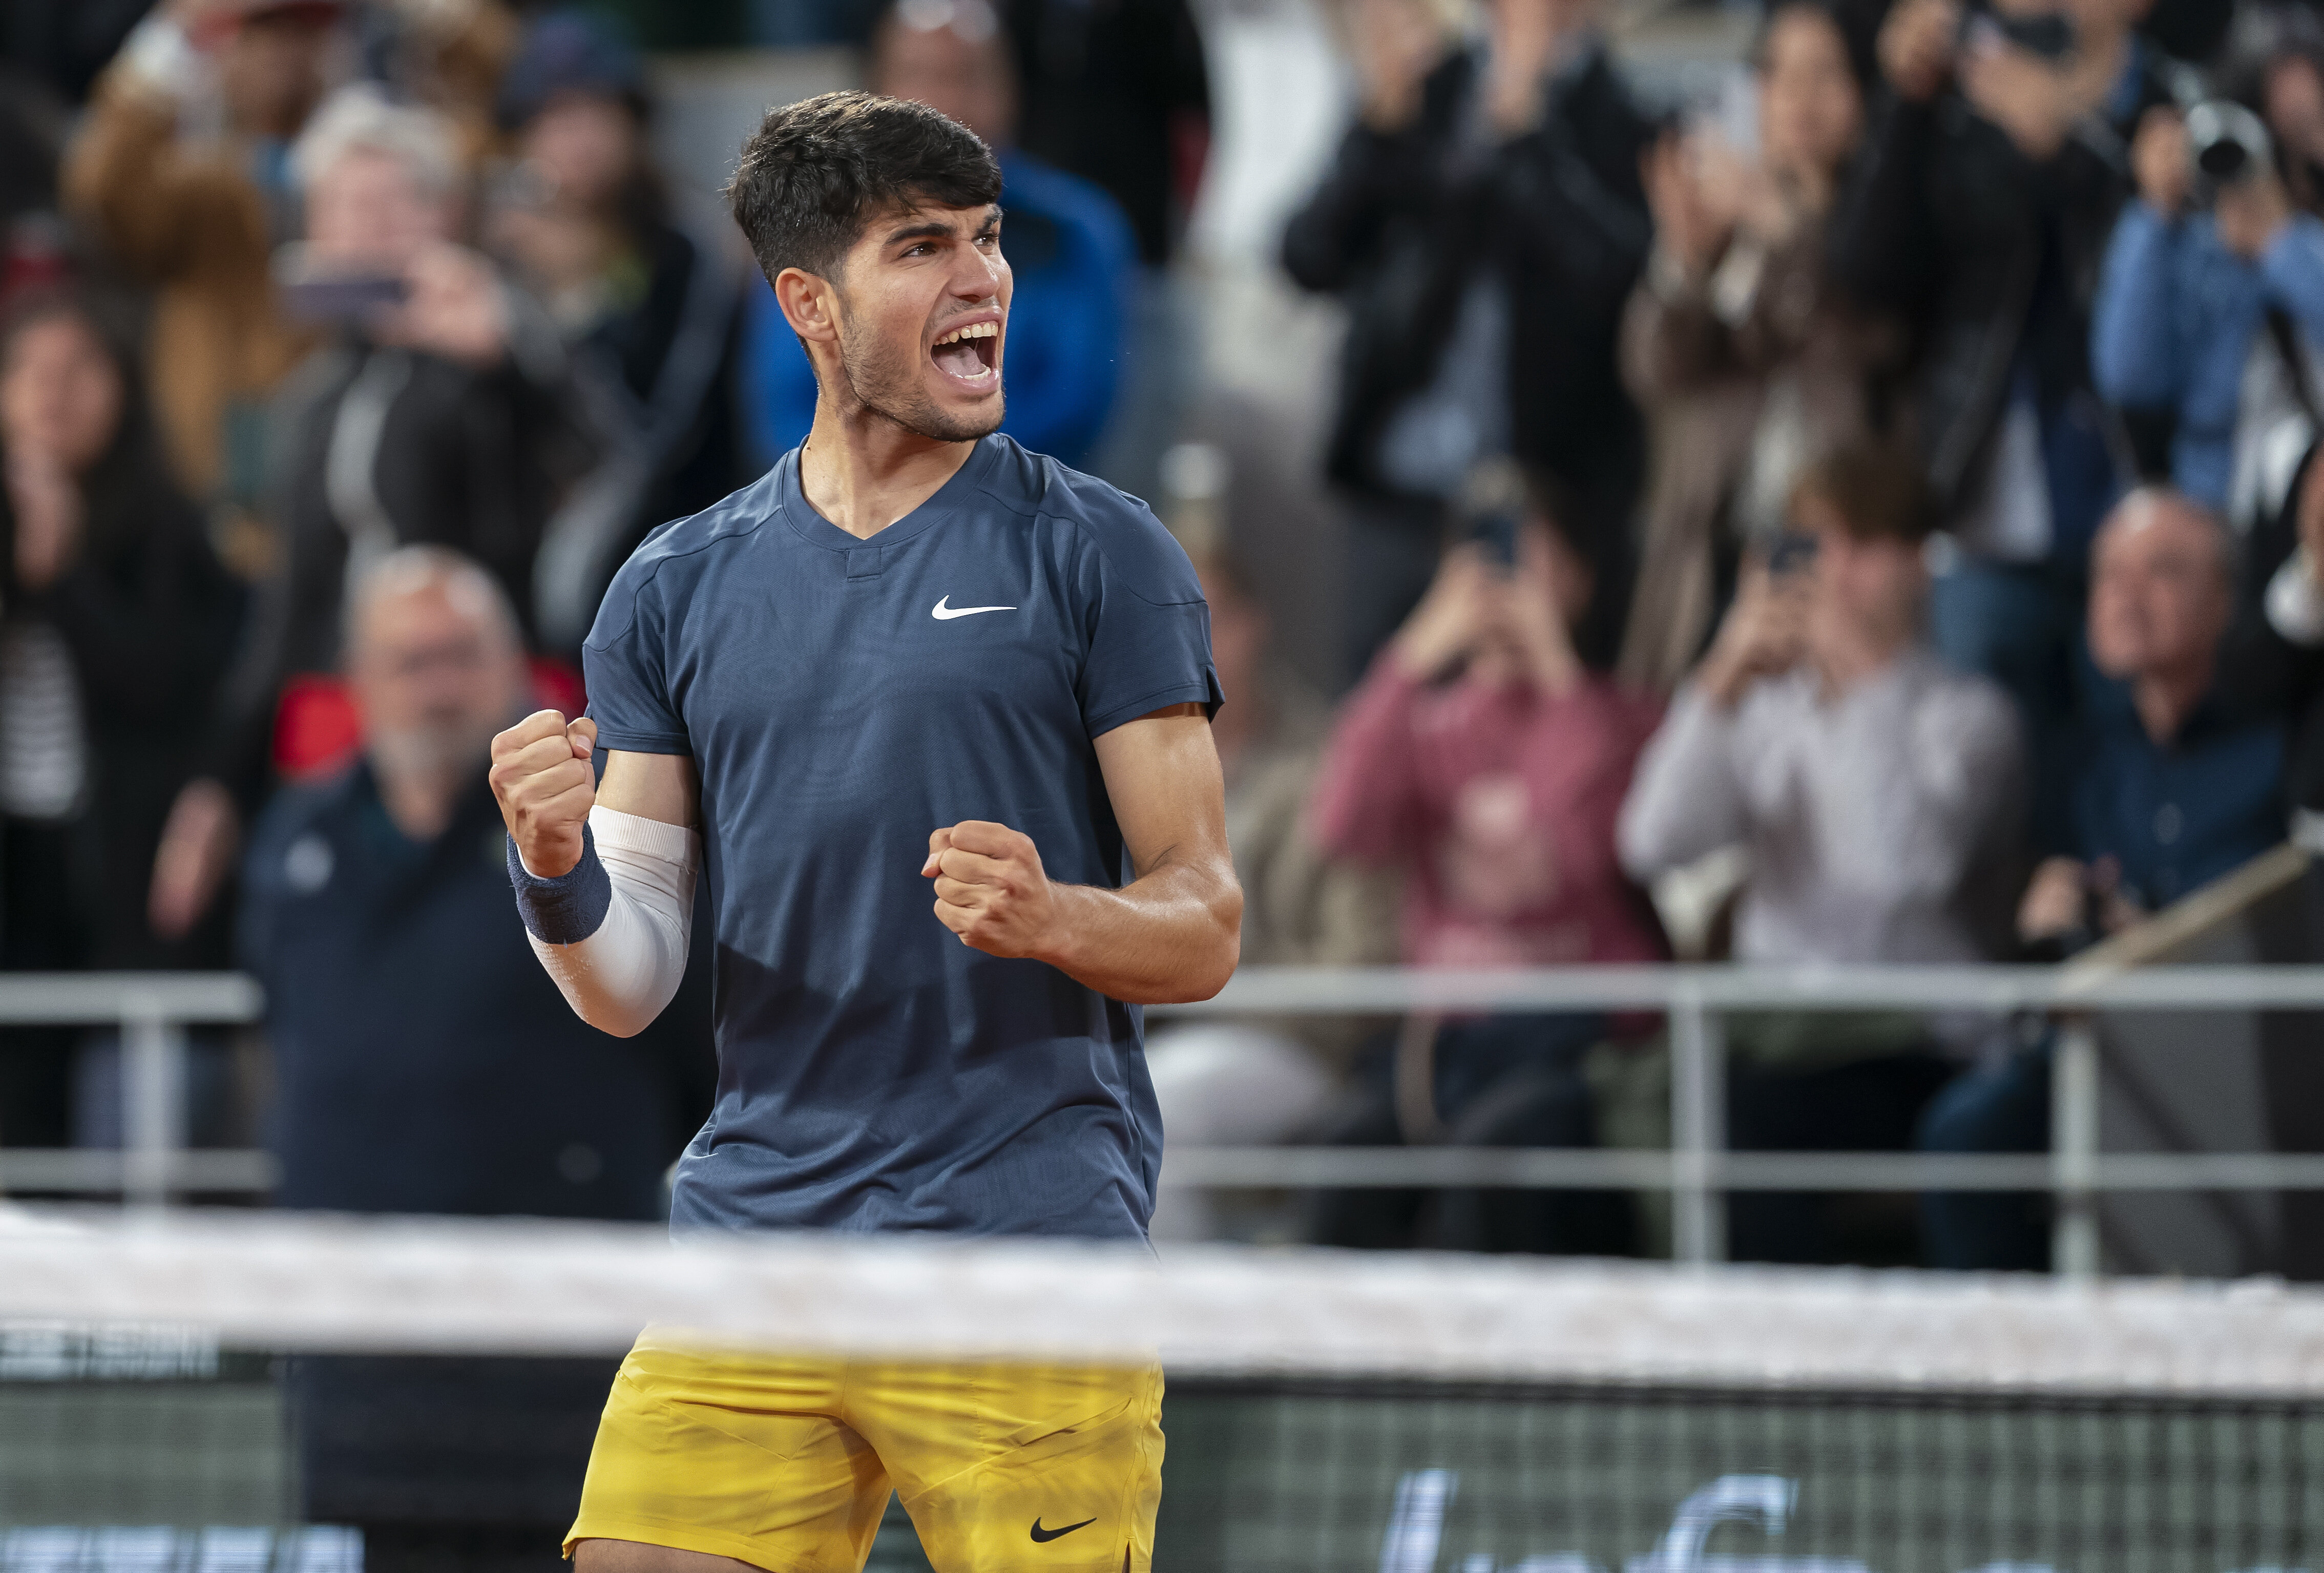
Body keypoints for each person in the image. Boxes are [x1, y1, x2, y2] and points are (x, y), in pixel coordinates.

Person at [490, 91, 1239, 1571]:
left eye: (990, 239)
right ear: (809, 305)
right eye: (922, 247)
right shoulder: (671, 587)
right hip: (758, 1242)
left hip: (1022, 1254)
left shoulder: (1104, 551)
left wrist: (1055, 917)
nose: (983, 280)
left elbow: (1206, 918)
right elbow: (629, 980)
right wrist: (555, 864)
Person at [241, 546, 710, 1565]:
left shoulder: (598, 839)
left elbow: (685, 1041)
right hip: (364, 1368)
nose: (439, 685)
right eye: (410, 661)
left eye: (461, 656)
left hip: (565, 1354)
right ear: (358, 682)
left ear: (514, 669)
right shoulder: (292, 843)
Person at [145, 87, 594, 950]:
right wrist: (218, 783)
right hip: (337, 708)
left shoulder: (500, 351)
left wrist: (505, 360)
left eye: (397, 203)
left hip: (478, 701)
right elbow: (287, 608)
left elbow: (602, 465)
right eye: (346, 207)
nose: (371, 228)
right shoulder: (311, 399)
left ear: (441, 217)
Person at [1618, 441, 2026, 1265]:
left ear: (1916, 562)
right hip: (1772, 1029)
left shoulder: (1967, 716)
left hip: (1913, 1040)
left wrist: (1859, 675)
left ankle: (1788, 1365)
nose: (1829, 575)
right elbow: (1652, 843)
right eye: (1810, 546)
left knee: (1727, 1116)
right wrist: (1719, 683)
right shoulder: (1766, 708)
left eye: (1857, 546)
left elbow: (1901, 871)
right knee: (1576, 1111)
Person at [1921, 488, 2288, 1272]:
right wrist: (2049, 911)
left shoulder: (2281, 744)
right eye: (2109, 575)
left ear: (2226, 599)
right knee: (1967, 1137)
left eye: (2161, 571)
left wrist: (2149, 941)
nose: (2126, 594)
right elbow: (2042, 916)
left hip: (2235, 1063)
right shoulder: (2082, 752)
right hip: (2090, 1049)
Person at [1305, 470, 1666, 1257]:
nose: (1505, 594)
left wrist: (1554, 671)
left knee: (1494, 1154)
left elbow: (1599, 854)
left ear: (1577, 579)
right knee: (1344, 1158)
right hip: (1446, 1044)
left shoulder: (1625, 717)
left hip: (1582, 1045)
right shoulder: (1425, 726)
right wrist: (1413, 652)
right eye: (1488, 568)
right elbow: (1337, 831)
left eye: (1530, 567)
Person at [1831, 0, 2163, 847]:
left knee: (2140, 779)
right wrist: (1905, 104)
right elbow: (1866, 277)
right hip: (1982, 510)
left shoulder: (2172, 104)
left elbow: (2166, 300)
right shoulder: (1959, 103)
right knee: (1984, 804)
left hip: (2135, 517)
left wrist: (2066, 147)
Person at [1282, 0, 1656, 681]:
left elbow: (1617, 284)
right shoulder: (1432, 88)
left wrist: (1524, 138)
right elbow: (1307, 256)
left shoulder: (1625, 117)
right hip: (1396, 480)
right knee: (1373, 726)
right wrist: (1374, 132)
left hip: (1541, 509)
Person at [0, 291, 243, 1151]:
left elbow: (167, 691)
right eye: (27, 370)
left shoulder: (171, 534)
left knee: (119, 1163)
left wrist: (61, 572)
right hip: (20, 884)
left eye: (78, 372)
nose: (49, 393)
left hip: (127, 895)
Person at [1619, 0, 1904, 691]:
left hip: (1834, 564)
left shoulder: (1888, 232)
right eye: (1778, 76)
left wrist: (1786, 231)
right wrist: (1684, 264)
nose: (1798, 99)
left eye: (1824, 74)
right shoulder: (1730, 224)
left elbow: (1850, 355)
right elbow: (1654, 370)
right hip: (1709, 562)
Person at [741, 0, 1138, 473]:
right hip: (858, 519)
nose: (946, 103)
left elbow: (1074, 404)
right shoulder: (814, 229)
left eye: (968, 75)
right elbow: (783, 410)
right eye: (921, 75)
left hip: (1030, 516)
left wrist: (926, 473)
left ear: (1010, 89)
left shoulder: (1078, 229)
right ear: (873, 94)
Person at [1143, 547, 1399, 1244]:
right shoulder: (1116, 772)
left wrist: (1213, 990)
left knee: (1157, 1109)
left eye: (1208, 618)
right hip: (1149, 1036)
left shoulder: (1332, 764)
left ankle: (1187, 1352)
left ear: (1254, 625)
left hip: (1299, 1046)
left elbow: (1366, 958)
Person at [488, 9, 750, 655]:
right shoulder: (501, 249)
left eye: (594, 111)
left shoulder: (689, 251)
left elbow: (650, 434)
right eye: (551, 118)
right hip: (530, 555)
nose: (576, 139)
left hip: (676, 555)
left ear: (635, 121)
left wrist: (579, 300)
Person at [61, 0, 342, 521]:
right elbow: (105, 194)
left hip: (343, 464)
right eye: (261, 34)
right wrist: (176, 34)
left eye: (303, 32)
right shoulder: (201, 188)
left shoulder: (368, 173)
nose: (283, 51)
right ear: (226, 54)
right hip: (211, 472)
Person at [2092, 38, 2324, 528]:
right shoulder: (2190, 246)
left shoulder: (2304, 244)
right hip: (2210, 499)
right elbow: (2127, 376)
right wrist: (2154, 214)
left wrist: (2279, 242)